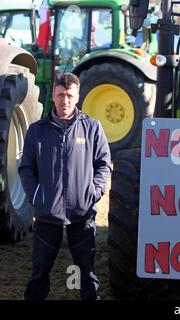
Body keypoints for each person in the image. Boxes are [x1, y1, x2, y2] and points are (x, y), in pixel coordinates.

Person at [19, 73, 112, 300]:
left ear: (77, 96)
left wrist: (94, 192)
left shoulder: (92, 128)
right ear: (53, 95)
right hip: (46, 215)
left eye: (70, 95)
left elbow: (104, 164)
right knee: (39, 272)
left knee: (86, 274)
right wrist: (37, 196)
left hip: (82, 214)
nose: (65, 101)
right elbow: (26, 169)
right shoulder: (37, 130)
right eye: (61, 95)